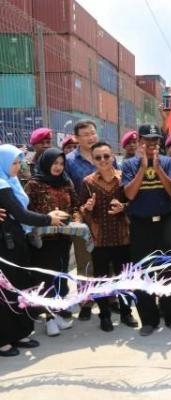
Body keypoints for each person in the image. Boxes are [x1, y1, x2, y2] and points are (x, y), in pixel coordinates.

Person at [0, 144, 64, 357]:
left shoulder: (11, 181)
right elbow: (22, 214)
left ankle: (20, 333)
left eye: (19, 162)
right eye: (14, 163)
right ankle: (4, 339)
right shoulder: (1, 183)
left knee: (20, 286)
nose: (18, 167)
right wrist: (48, 219)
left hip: (17, 241)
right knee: (7, 291)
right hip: (4, 246)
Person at [122, 124, 171, 336]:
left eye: (155, 140)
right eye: (147, 140)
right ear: (139, 141)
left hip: (166, 224)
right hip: (141, 226)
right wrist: (142, 168)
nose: (152, 144)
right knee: (143, 271)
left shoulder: (168, 162)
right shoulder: (129, 164)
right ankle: (149, 320)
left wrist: (157, 169)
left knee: (169, 270)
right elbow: (129, 194)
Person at [80, 141, 138, 332]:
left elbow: (135, 203)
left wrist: (125, 207)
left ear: (113, 156)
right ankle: (104, 316)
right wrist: (86, 208)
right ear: (92, 160)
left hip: (123, 238)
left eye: (106, 156)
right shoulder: (87, 182)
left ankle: (126, 312)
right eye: (98, 157)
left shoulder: (124, 179)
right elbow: (81, 211)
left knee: (124, 278)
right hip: (100, 239)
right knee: (101, 280)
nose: (103, 160)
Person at [25, 148, 79, 336]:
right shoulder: (34, 184)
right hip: (43, 240)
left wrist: (73, 216)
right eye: (54, 163)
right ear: (46, 163)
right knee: (46, 278)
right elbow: (27, 211)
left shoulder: (66, 182)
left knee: (61, 276)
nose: (58, 167)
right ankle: (49, 318)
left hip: (63, 238)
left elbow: (75, 205)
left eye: (61, 163)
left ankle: (58, 313)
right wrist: (47, 217)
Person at [65, 120, 103, 320]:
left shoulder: (105, 155)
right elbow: (66, 190)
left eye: (93, 132)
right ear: (77, 138)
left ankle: (109, 298)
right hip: (82, 218)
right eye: (86, 134)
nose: (90, 137)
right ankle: (86, 301)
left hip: (106, 217)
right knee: (84, 260)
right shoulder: (69, 161)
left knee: (107, 259)